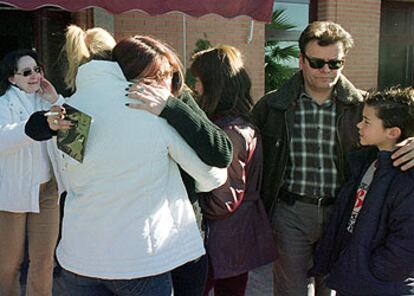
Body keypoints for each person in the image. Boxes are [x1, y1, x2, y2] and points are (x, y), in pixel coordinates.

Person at [26, 26, 233, 296]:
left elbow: (73, 176)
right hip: (141, 258)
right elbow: (213, 174)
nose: (163, 86)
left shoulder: (73, 112)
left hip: (81, 257)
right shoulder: (146, 106)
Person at [252, 21, 414, 296]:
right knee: (291, 291)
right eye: (317, 62)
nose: (326, 70)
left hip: (345, 210)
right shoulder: (272, 105)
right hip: (291, 212)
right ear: (301, 60)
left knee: (335, 286)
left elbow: (399, 127)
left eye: (335, 63)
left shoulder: (363, 105)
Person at [116, 36, 234, 296]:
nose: (163, 85)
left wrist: (170, 108)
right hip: (132, 236)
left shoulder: (177, 99)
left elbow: (222, 152)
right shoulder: (111, 106)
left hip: (183, 229)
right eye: (152, 79)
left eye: (167, 75)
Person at [185, 45, 277, 296]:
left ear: (214, 84)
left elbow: (224, 200)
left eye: (199, 80)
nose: (195, 87)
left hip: (224, 236)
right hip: (238, 233)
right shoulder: (240, 123)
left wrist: (192, 201)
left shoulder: (229, 131)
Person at [310, 87, 414, 295]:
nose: (358, 125)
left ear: (392, 132)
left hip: (381, 286)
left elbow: (407, 241)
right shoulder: (368, 161)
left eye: (367, 121)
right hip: (356, 281)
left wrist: (375, 270)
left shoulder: (406, 177)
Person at [0, 49, 63, 295]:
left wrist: (56, 99)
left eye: (37, 69)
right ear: (11, 78)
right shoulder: (3, 105)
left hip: (47, 191)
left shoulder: (47, 100)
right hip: (13, 191)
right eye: (26, 72)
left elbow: (76, 134)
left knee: (44, 262)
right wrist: (34, 127)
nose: (34, 75)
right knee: (8, 264)